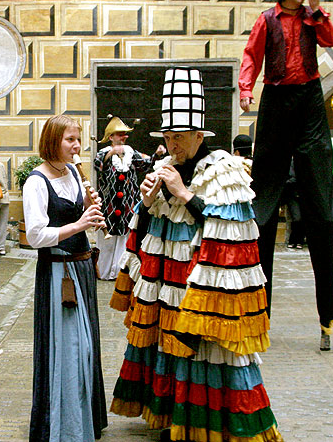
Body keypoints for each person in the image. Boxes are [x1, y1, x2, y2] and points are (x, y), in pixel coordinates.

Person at [109, 67, 282, 442]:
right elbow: (148, 226)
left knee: (207, 353)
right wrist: (149, 199)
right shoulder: (166, 166)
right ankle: (173, 414)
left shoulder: (223, 169)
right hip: (167, 280)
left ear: (199, 135)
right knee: (166, 344)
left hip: (204, 284)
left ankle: (216, 422)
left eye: (180, 137)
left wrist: (185, 193)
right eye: (168, 137)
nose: (173, 145)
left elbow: (232, 228)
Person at [239, 0, 333, 349]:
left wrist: (320, 12)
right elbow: (252, 56)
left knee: (319, 205)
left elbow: (331, 41)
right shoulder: (267, 20)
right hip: (278, 102)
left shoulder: (314, 18)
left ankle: (327, 315)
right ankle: (257, 312)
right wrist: (247, 89)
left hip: (310, 103)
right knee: (263, 207)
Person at [23, 114, 108, 442]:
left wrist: (88, 205)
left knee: (87, 347)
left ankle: (86, 417)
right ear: (52, 141)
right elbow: (34, 235)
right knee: (68, 348)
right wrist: (80, 224)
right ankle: (62, 426)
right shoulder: (36, 181)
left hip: (82, 268)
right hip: (59, 273)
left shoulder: (73, 171)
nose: (76, 146)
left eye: (78, 139)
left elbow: (78, 211)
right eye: (69, 140)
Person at [93, 116, 162, 281]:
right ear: (111, 137)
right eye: (120, 134)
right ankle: (103, 272)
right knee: (106, 240)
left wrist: (157, 155)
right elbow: (98, 165)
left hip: (127, 207)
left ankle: (120, 273)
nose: (124, 137)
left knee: (124, 240)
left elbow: (145, 164)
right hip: (108, 207)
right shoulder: (103, 153)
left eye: (125, 134)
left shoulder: (131, 152)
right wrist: (111, 152)